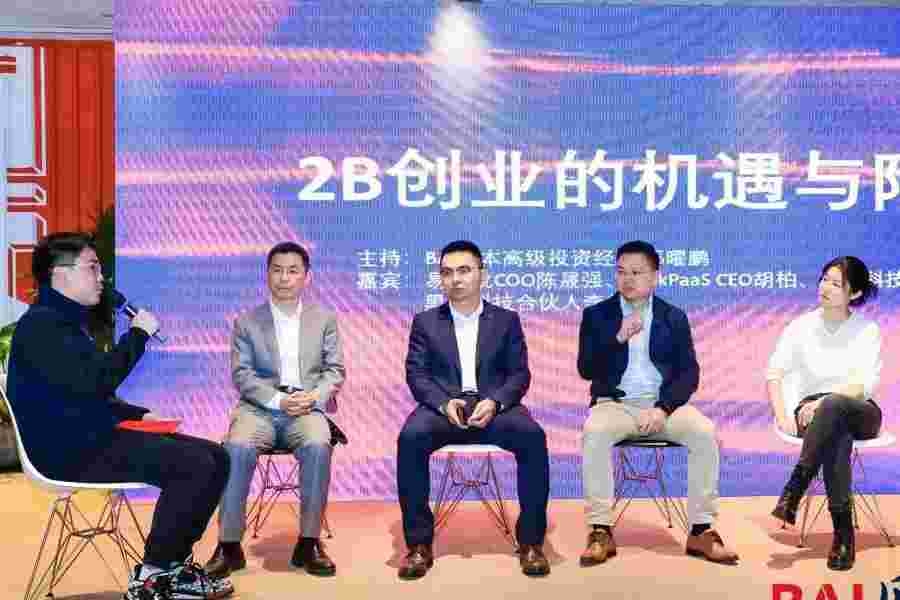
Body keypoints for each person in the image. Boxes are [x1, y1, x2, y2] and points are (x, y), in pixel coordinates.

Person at [7, 232, 233, 600]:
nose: (102, 278)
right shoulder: (43, 326)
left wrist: (138, 414)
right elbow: (99, 381)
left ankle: (173, 568)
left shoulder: (61, 322)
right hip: (66, 452)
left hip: (87, 436)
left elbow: (82, 392)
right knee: (193, 464)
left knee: (216, 456)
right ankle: (153, 574)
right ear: (60, 275)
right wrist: (138, 335)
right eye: (92, 268)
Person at [577, 240, 739, 567]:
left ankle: (702, 530)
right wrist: (617, 339)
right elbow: (586, 369)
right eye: (621, 272)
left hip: (663, 405)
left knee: (704, 432)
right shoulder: (597, 316)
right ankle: (600, 529)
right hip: (614, 404)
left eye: (636, 272)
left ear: (655, 277)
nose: (627, 279)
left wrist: (663, 408)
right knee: (594, 432)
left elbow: (689, 374)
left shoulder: (673, 317)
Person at [396, 240, 551, 579]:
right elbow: (416, 374)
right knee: (410, 437)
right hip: (443, 408)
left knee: (532, 437)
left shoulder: (506, 320)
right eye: (447, 272)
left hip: (494, 407)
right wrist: (442, 402)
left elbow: (519, 374)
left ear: (483, 274)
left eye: (464, 271)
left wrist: (495, 402)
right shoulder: (425, 322)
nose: (455, 279)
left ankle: (531, 542)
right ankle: (419, 544)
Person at [204, 242, 344, 578]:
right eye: (277, 270)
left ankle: (309, 543)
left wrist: (313, 398)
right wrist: (278, 400)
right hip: (259, 410)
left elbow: (335, 371)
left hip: (307, 409)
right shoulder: (247, 322)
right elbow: (242, 375)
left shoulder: (324, 319)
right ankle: (228, 546)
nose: (284, 278)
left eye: (293, 271)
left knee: (318, 445)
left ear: (307, 277)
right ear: (267, 274)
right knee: (236, 447)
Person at [768, 256, 881, 571]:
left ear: (854, 293)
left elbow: (863, 385)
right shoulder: (801, 326)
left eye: (836, 284)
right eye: (824, 280)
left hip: (859, 409)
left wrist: (825, 402)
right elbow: (774, 373)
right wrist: (782, 416)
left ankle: (795, 488)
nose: (825, 288)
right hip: (814, 414)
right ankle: (843, 535)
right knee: (836, 436)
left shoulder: (867, 329)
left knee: (833, 408)